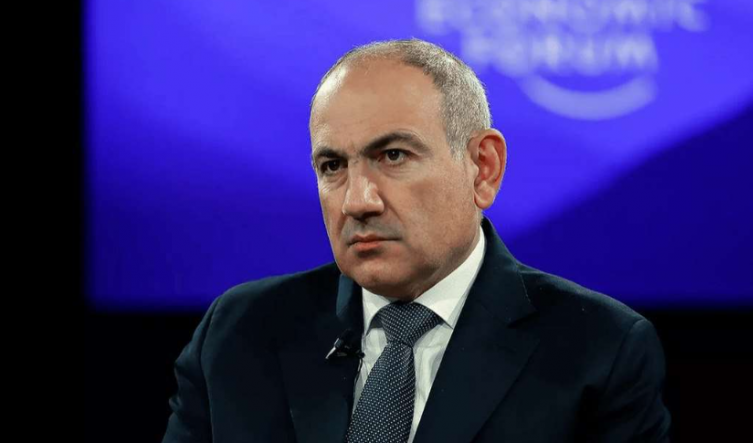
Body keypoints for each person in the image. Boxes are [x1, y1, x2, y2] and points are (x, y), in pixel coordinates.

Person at [162, 39, 671, 443]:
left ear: (483, 168)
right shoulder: (237, 334)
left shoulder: (600, 351)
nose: (357, 201)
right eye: (332, 166)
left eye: (393, 156)